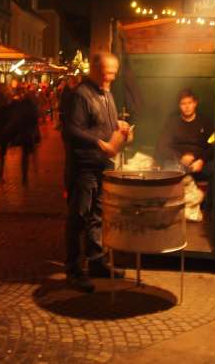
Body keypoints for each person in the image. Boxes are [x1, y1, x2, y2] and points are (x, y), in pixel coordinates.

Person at [62, 52, 131, 293]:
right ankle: (73, 269)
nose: (110, 78)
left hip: (102, 165)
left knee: (98, 216)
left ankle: (96, 261)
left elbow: (107, 124)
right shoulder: (81, 94)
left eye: (114, 74)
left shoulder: (107, 93)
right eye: (107, 73)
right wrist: (99, 143)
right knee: (79, 217)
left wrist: (119, 126)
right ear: (95, 69)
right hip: (84, 167)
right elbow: (71, 129)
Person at [155, 88, 214, 180]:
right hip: (176, 161)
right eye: (183, 104)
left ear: (195, 103)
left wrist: (201, 160)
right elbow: (161, 146)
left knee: (212, 169)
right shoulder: (172, 121)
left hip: (199, 161)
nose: (187, 107)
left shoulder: (205, 121)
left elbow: (212, 145)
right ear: (179, 105)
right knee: (169, 173)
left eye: (189, 103)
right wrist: (180, 157)